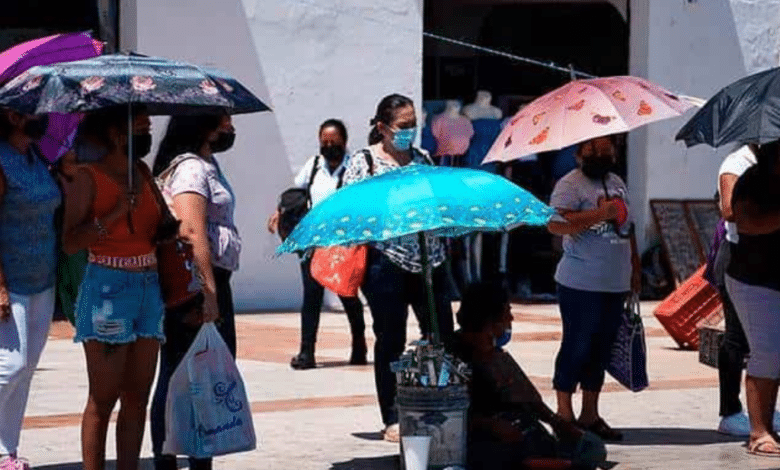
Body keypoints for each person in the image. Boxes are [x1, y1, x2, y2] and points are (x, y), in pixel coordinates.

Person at [341, 94, 454, 442]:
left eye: (413, 126)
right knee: (390, 339)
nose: (409, 133)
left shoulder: (422, 159)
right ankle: (392, 414)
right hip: (386, 262)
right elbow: (351, 210)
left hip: (429, 259)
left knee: (441, 335)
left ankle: (441, 402)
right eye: (403, 127)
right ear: (382, 127)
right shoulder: (365, 163)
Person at [62, 105, 170, 470]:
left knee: (137, 395)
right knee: (104, 397)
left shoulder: (141, 171)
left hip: (148, 287)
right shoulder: (87, 177)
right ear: (116, 132)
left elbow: (162, 224)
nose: (147, 135)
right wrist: (112, 215)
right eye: (141, 127)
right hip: (107, 288)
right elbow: (71, 241)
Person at [150, 113, 241, 470]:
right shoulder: (190, 169)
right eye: (225, 122)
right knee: (181, 376)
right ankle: (171, 460)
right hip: (197, 282)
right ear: (202, 125)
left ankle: (197, 457)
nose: (231, 130)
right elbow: (192, 232)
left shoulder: (207, 164)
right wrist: (208, 292)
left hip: (212, 279)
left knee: (200, 376)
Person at [450, 282, 606, 470]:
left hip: (519, 432)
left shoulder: (496, 355)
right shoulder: (455, 358)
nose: (511, 318)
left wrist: (558, 423)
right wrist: (491, 425)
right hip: (482, 442)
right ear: (491, 320)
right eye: (507, 311)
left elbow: (529, 399)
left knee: (592, 448)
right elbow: (453, 416)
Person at [546, 136, 641, 442]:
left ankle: (590, 413)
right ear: (578, 154)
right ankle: (564, 414)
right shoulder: (570, 185)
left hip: (614, 281)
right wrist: (600, 214)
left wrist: (635, 267)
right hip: (580, 282)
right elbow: (556, 224)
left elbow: (629, 227)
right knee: (577, 346)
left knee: (601, 348)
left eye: (605, 149)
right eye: (592, 149)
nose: (600, 154)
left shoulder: (616, 182)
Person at [267, 119, 366, 370]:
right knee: (311, 297)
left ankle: (359, 345)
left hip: (342, 243)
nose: (329, 146)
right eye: (324, 142)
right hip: (313, 242)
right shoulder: (313, 166)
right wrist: (280, 213)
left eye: (334, 142)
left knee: (347, 295)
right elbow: (294, 194)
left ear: (344, 142)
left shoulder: (354, 167)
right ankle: (306, 352)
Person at [0, 110, 60, 470]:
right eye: (31, 110)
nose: (41, 116)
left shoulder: (37, 156)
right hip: (13, 280)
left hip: (43, 279)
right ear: (9, 116)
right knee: (12, 364)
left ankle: (7, 451)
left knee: (28, 367)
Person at [725, 140, 780, 457]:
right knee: (767, 352)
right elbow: (743, 221)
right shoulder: (752, 180)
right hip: (752, 278)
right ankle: (759, 431)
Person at [713, 144, 756, 436]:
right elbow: (728, 210)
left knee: (763, 343)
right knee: (736, 338)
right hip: (739, 256)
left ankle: (761, 408)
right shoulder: (737, 163)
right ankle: (729, 411)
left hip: (767, 257)